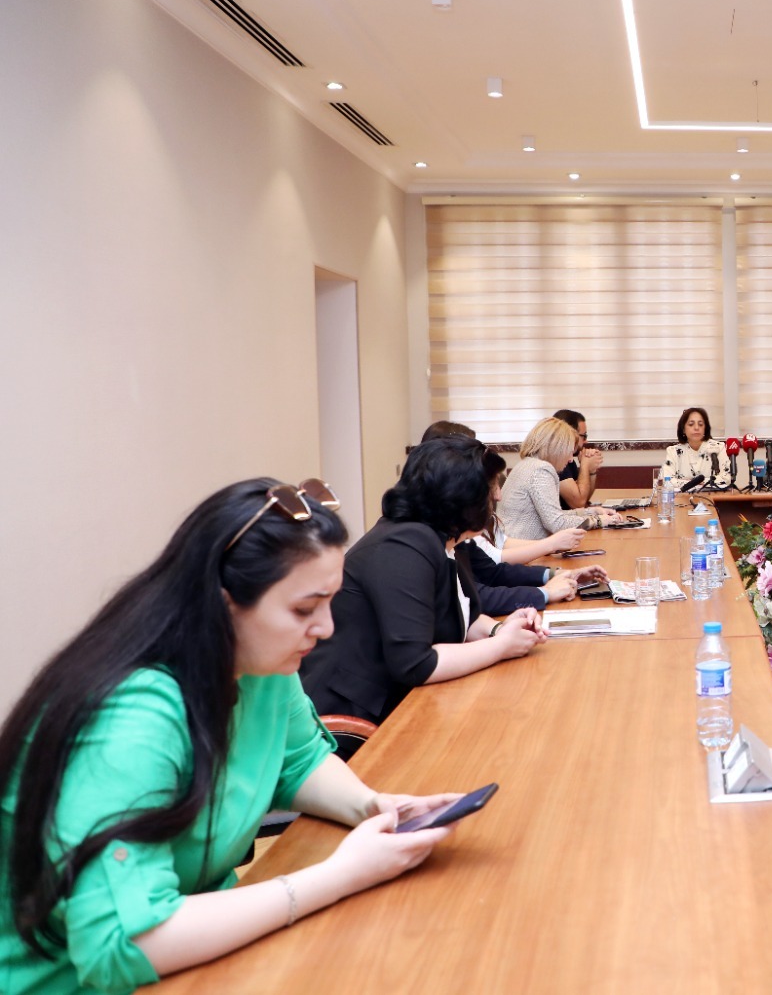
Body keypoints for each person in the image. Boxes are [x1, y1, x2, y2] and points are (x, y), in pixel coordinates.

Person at [0, 479, 465, 992]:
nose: (326, 628)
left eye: (330, 602)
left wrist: (374, 808)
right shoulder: (132, 720)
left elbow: (299, 761)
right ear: (223, 605)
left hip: (203, 944)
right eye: (304, 609)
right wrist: (340, 875)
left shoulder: (263, 664)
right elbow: (124, 944)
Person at [300, 438, 547, 733]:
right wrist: (500, 646)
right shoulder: (403, 545)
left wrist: (501, 629)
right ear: (462, 495)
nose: (498, 496)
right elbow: (416, 664)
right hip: (353, 719)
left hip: (399, 703)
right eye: (491, 487)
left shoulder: (443, 540)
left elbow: (462, 619)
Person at [419, 424, 603, 611]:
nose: (498, 496)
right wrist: (545, 592)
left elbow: (492, 572)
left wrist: (557, 574)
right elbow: (476, 596)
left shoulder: (455, 529)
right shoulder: (427, 535)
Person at [501, 418, 623, 540]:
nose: (570, 459)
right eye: (569, 452)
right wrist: (598, 521)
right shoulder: (540, 471)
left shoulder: (527, 465)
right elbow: (557, 524)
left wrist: (592, 512)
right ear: (557, 449)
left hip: (517, 544)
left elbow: (554, 515)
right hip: (522, 548)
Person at [662, 407, 725, 485]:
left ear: (705, 428)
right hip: (683, 493)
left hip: (713, 493)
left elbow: (726, 479)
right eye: (691, 424)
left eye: (700, 424)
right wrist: (700, 483)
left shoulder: (719, 448)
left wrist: (694, 483)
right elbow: (667, 480)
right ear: (683, 429)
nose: (696, 428)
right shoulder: (673, 451)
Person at [553, 409, 603, 509]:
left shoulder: (569, 460)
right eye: (584, 436)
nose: (586, 441)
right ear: (570, 434)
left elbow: (584, 499)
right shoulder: (555, 460)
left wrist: (591, 471)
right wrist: (585, 465)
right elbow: (578, 503)